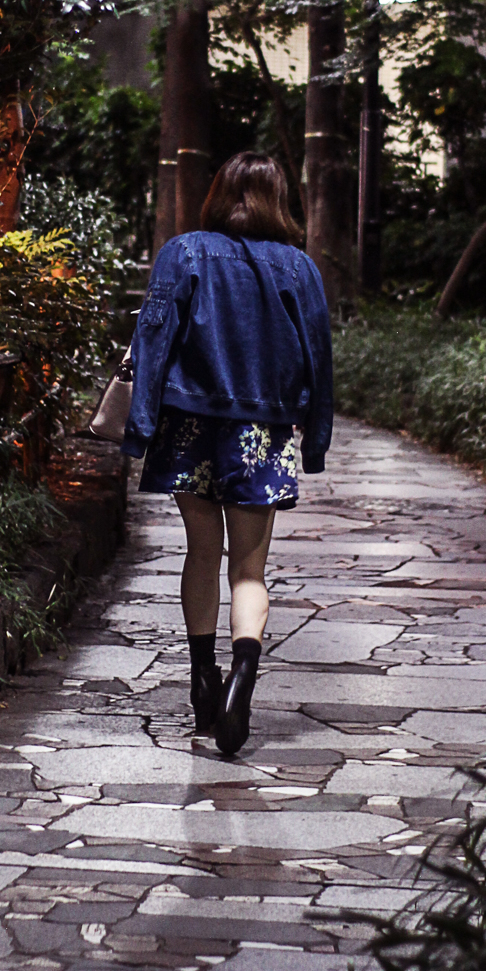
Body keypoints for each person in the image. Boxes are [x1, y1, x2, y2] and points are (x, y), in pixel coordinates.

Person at [122, 152, 334, 757]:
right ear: (278, 199)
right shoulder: (298, 267)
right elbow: (319, 354)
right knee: (248, 570)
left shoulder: (183, 253)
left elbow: (153, 337)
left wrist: (141, 427)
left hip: (189, 424)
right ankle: (243, 677)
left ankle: (201, 678)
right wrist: (315, 438)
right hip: (262, 431)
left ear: (218, 194)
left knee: (200, 551)